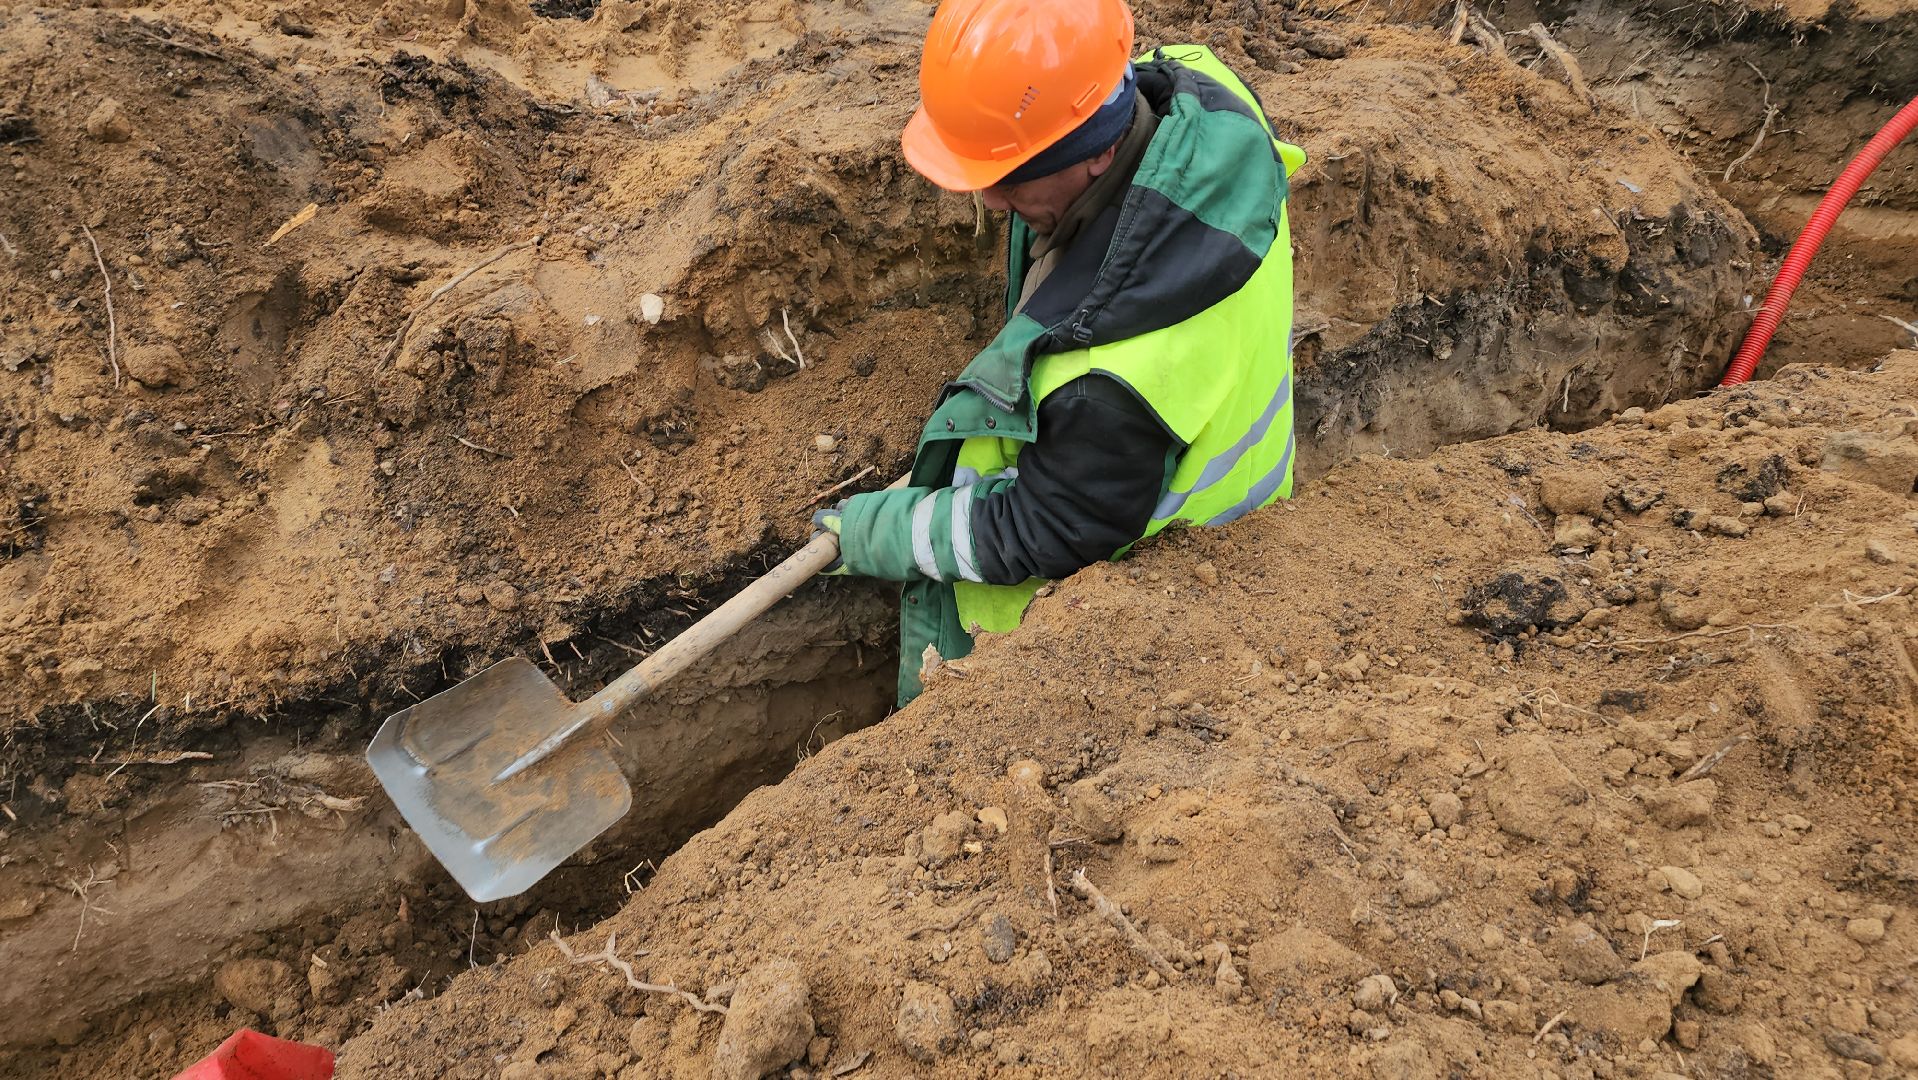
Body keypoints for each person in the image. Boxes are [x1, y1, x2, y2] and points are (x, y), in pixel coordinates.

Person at [811, 0, 1306, 706]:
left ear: (1098, 149)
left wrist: (876, 533)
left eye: (1009, 175)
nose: (990, 196)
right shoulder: (1204, 100)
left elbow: (1046, 528)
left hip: (1124, 627)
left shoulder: (1108, 379)